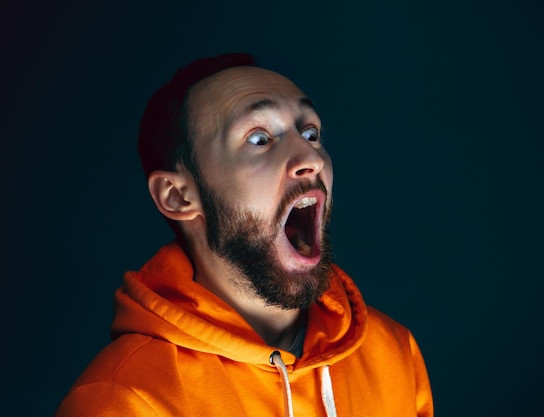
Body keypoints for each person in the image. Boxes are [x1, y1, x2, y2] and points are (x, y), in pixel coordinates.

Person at [55, 53, 434, 417]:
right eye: (259, 138)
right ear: (178, 196)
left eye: (311, 132)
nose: (312, 158)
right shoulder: (124, 400)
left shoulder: (395, 355)